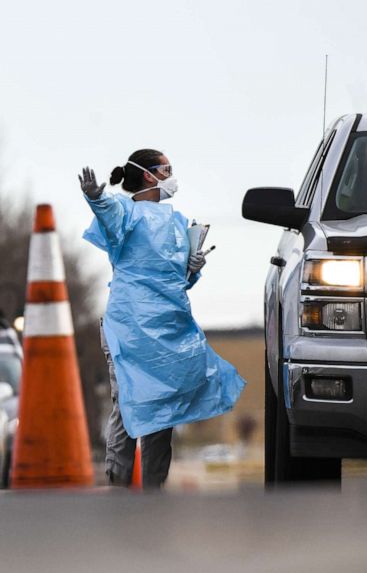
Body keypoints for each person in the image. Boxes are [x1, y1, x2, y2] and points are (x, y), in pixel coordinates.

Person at [79, 149, 244, 489]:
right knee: (127, 405)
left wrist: (192, 267)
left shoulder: (178, 222)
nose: (172, 174)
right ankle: (118, 485)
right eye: (166, 169)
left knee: (164, 410)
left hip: (169, 326)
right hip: (130, 328)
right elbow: (111, 216)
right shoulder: (128, 211)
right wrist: (95, 197)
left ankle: (154, 490)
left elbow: (179, 280)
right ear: (149, 175)